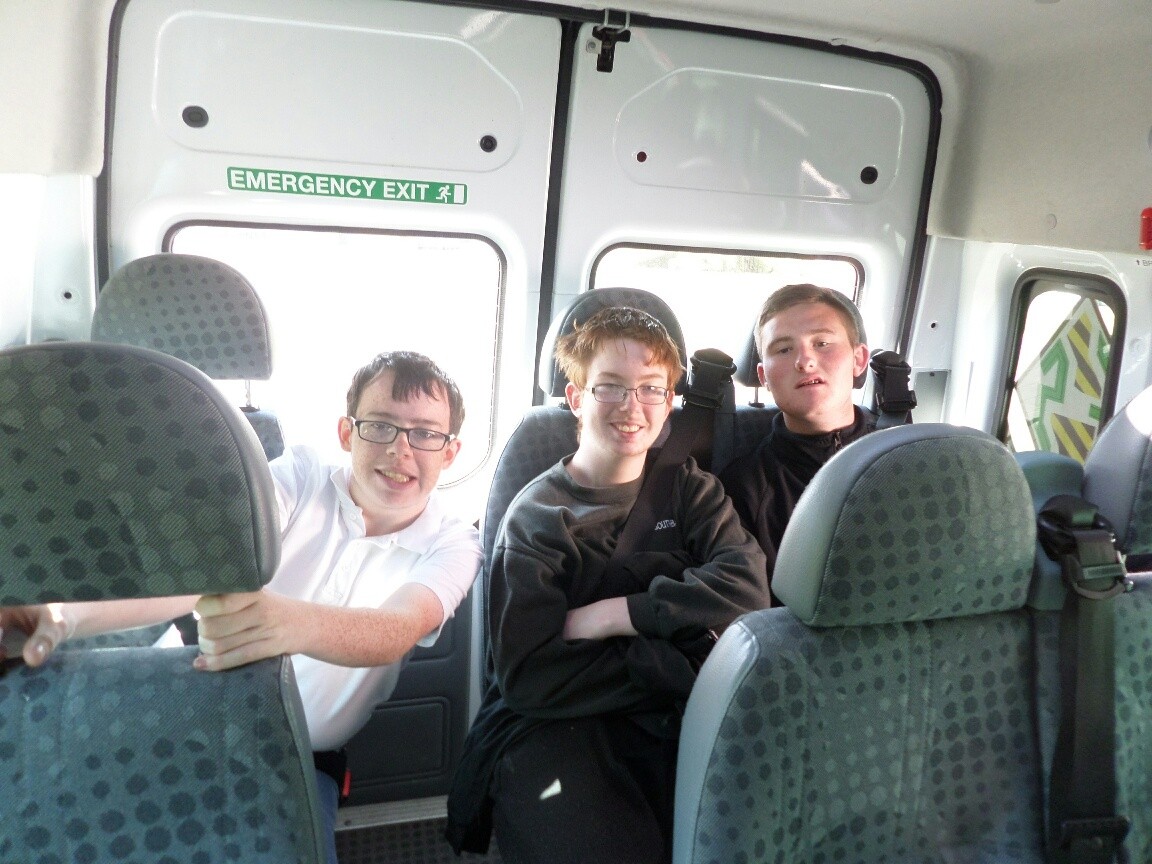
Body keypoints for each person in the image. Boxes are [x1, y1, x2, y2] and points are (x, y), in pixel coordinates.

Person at [0, 350, 482, 864]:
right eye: (380, 426)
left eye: (425, 434)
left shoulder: (454, 544)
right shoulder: (300, 476)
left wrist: (288, 623)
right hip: (177, 710)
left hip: (298, 755)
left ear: (450, 452)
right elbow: (196, 568)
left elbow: (398, 627)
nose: (401, 449)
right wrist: (63, 615)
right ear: (347, 433)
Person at [446, 306, 769, 864]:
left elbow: (746, 588)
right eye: (610, 387)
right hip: (561, 723)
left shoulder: (690, 489)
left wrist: (619, 614)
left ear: (669, 401)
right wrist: (671, 660)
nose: (631, 406)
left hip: (675, 712)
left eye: (650, 389)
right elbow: (530, 677)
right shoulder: (540, 519)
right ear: (577, 398)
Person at [719, 284, 874, 600]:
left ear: (859, 360)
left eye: (822, 343)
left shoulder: (910, 459)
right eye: (783, 350)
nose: (805, 361)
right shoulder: (742, 491)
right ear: (763, 377)